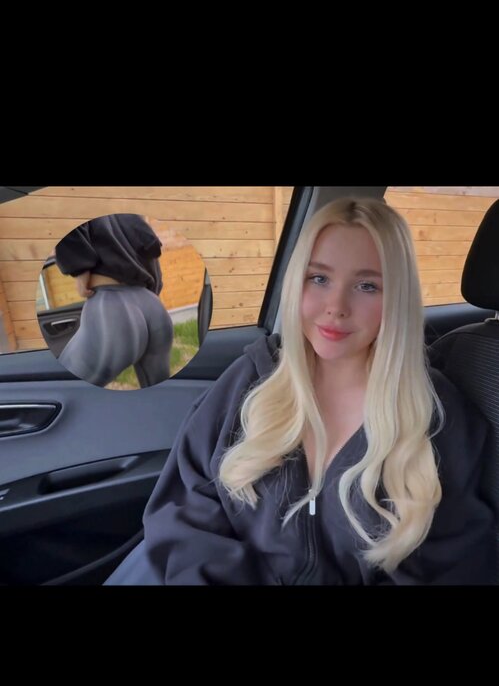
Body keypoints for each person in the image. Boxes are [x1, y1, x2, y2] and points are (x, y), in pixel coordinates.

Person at [105, 197, 498, 585]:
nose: (336, 306)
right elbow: (185, 514)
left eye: (367, 286)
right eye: (319, 279)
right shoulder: (251, 379)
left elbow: (451, 566)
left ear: (397, 297)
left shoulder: (437, 418)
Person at [54, 213, 174, 388]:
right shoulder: (131, 217)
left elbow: (66, 220)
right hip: (153, 307)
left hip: (111, 306)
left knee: (63, 386)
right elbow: (151, 248)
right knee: (159, 391)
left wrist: (79, 268)